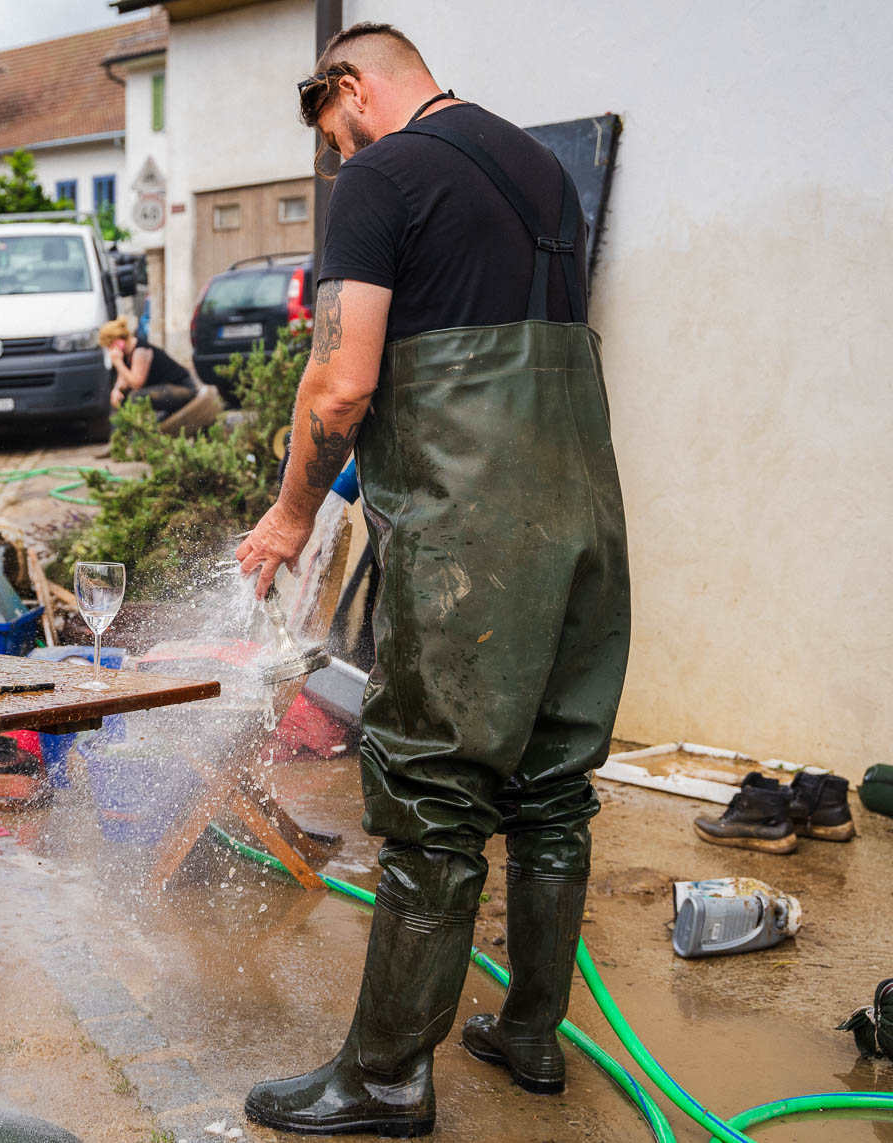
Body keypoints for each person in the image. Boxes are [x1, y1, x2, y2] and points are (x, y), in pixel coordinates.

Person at [235, 22, 631, 1137]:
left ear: (351, 88)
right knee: (553, 788)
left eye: (330, 129)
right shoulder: (544, 171)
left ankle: (386, 1078)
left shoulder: (379, 172)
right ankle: (530, 1033)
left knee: (431, 800)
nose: (335, 154)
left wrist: (289, 511)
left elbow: (341, 384)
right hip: (584, 520)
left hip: (473, 540)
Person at [98, 317, 197, 418]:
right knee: (122, 399)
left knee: (137, 397)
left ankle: (143, 428)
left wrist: (118, 363)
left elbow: (137, 383)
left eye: (110, 346)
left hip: (183, 388)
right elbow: (123, 381)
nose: (110, 350)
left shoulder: (141, 351)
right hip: (165, 389)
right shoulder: (125, 355)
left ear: (118, 342)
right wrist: (116, 390)